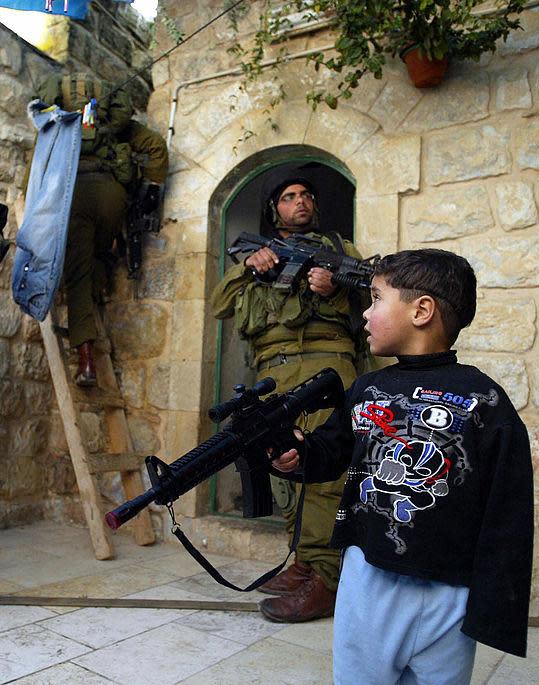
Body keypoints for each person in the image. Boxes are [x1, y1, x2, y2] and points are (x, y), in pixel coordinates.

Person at [271, 249, 533, 684]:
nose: (366, 315)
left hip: (450, 593)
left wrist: (493, 607)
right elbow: (328, 453)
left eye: (375, 299)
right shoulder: (367, 388)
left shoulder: (484, 400)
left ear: (421, 310)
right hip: (368, 581)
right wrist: (294, 455)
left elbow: (508, 511)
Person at [209, 175, 369, 622]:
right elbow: (219, 304)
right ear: (273, 209)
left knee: (327, 474)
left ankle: (327, 577)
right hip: (273, 375)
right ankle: (302, 560)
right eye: (288, 197)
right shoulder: (259, 254)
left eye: (306, 195)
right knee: (285, 468)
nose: (300, 202)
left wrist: (336, 288)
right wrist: (251, 266)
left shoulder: (341, 248)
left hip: (326, 368)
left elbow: (374, 297)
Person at [41, 74, 168, 386]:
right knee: (98, 255)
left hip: (77, 198)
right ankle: (101, 277)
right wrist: (150, 191)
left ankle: (86, 362)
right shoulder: (115, 127)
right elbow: (156, 146)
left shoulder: (58, 128)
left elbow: (36, 175)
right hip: (114, 198)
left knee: (78, 277)